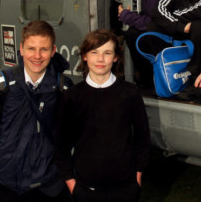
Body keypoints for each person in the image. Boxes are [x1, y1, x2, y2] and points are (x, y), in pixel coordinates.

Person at [0, 20, 73, 202]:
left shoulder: (63, 89)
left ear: (53, 51)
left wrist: (61, 173)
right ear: (22, 49)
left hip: (48, 185)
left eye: (44, 49)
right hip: (4, 184)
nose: (37, 56)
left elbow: (73, 136)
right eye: (31, 49)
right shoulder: (0, 86)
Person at [54, 29, 151, 202]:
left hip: (125, 188)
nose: (100, 59)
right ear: (84, 56)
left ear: (115, 57)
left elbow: (142, 138)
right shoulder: (72, 96)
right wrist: (71, 183)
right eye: (94, 52)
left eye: (107, 53)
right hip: (84, 189)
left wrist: (137, 177)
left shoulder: (130, 93)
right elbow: (61, 143)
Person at [118, 0, 174, 87]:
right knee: (134, 32)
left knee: (132, 34)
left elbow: (157, 22)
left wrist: (126, 16)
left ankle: (151, 82)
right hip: (169, 32)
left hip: (173, 35)